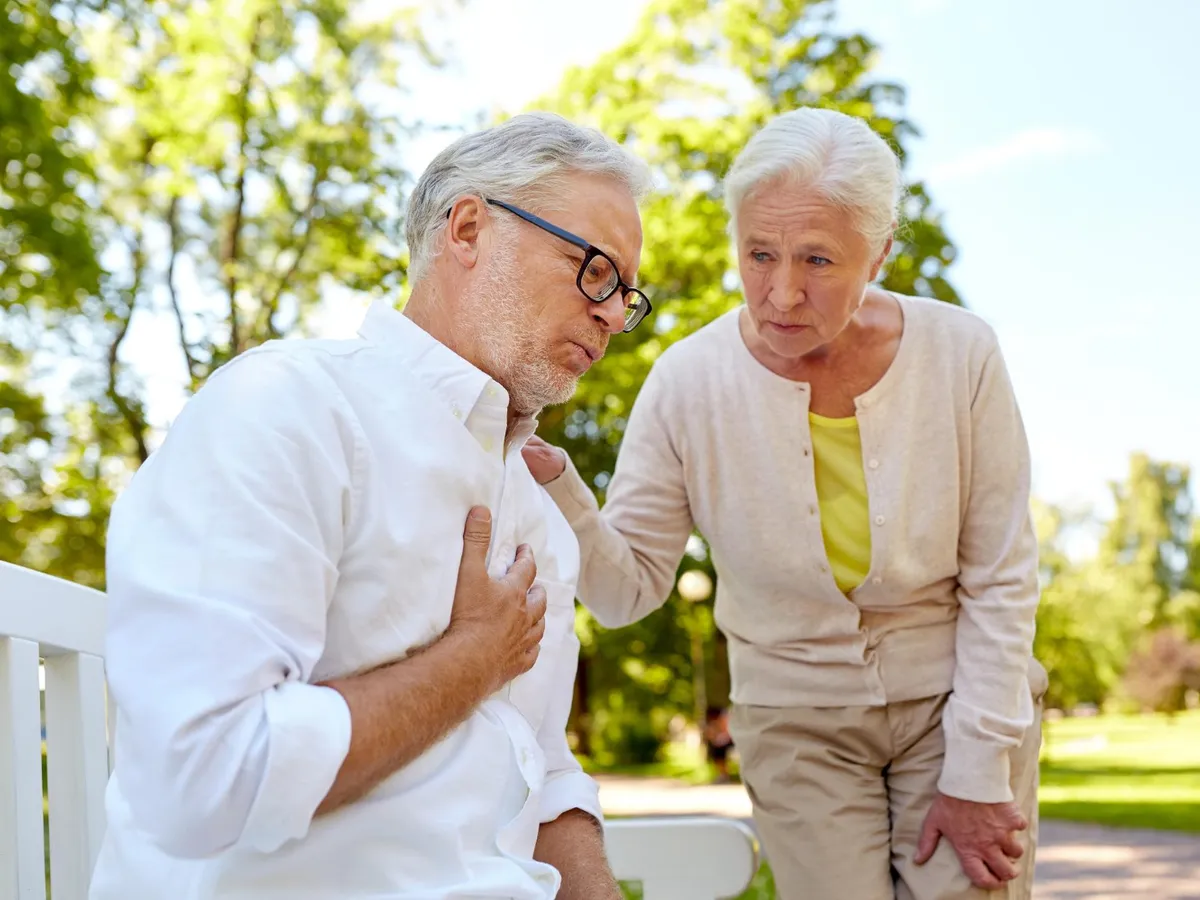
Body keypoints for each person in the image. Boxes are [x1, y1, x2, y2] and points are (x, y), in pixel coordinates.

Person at [88, 111, 654, 900]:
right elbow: (202, 775)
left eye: (627, 294)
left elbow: (540, 763)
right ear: (467, 229)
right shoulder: (288, 406)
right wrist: (469, 663)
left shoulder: (537, 510)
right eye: (594, 268)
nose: (609, 311)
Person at [523, 107, 1048, 900]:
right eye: (759, 253)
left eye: (819, 259)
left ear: (878, 254)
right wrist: (557, 484)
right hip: (795, 720)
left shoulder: (961, 354)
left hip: (958, 703)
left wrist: (978, 770)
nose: (782, 292)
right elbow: (624, 591)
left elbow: (1002, 577)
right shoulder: (686, 382)